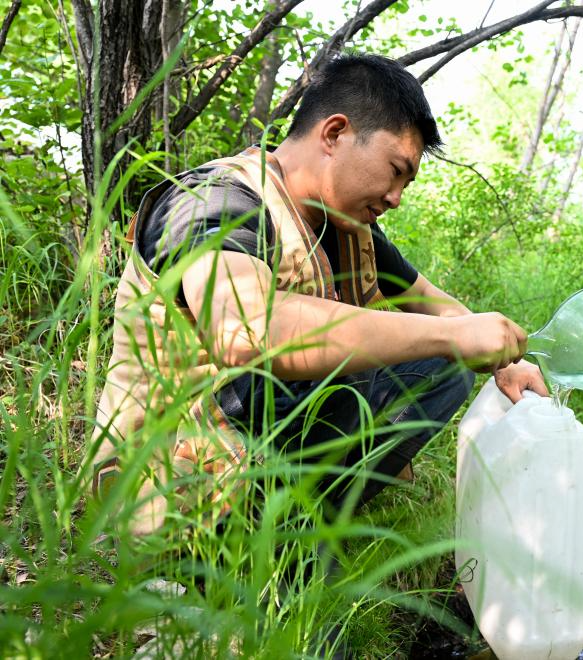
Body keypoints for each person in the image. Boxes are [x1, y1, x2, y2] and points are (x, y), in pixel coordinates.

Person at [90, 53, 548, 536]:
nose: (397, 198)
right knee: (348, 367)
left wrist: (504, 359)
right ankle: (207, 553)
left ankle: (301, 533)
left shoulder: (345, 224)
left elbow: (426, 298)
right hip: (161, 477)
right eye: (396, 170)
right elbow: (245, 332)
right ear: (334, 133)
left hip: (245, 453)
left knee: (442, 369)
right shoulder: (219, 201)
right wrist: (449, 335)